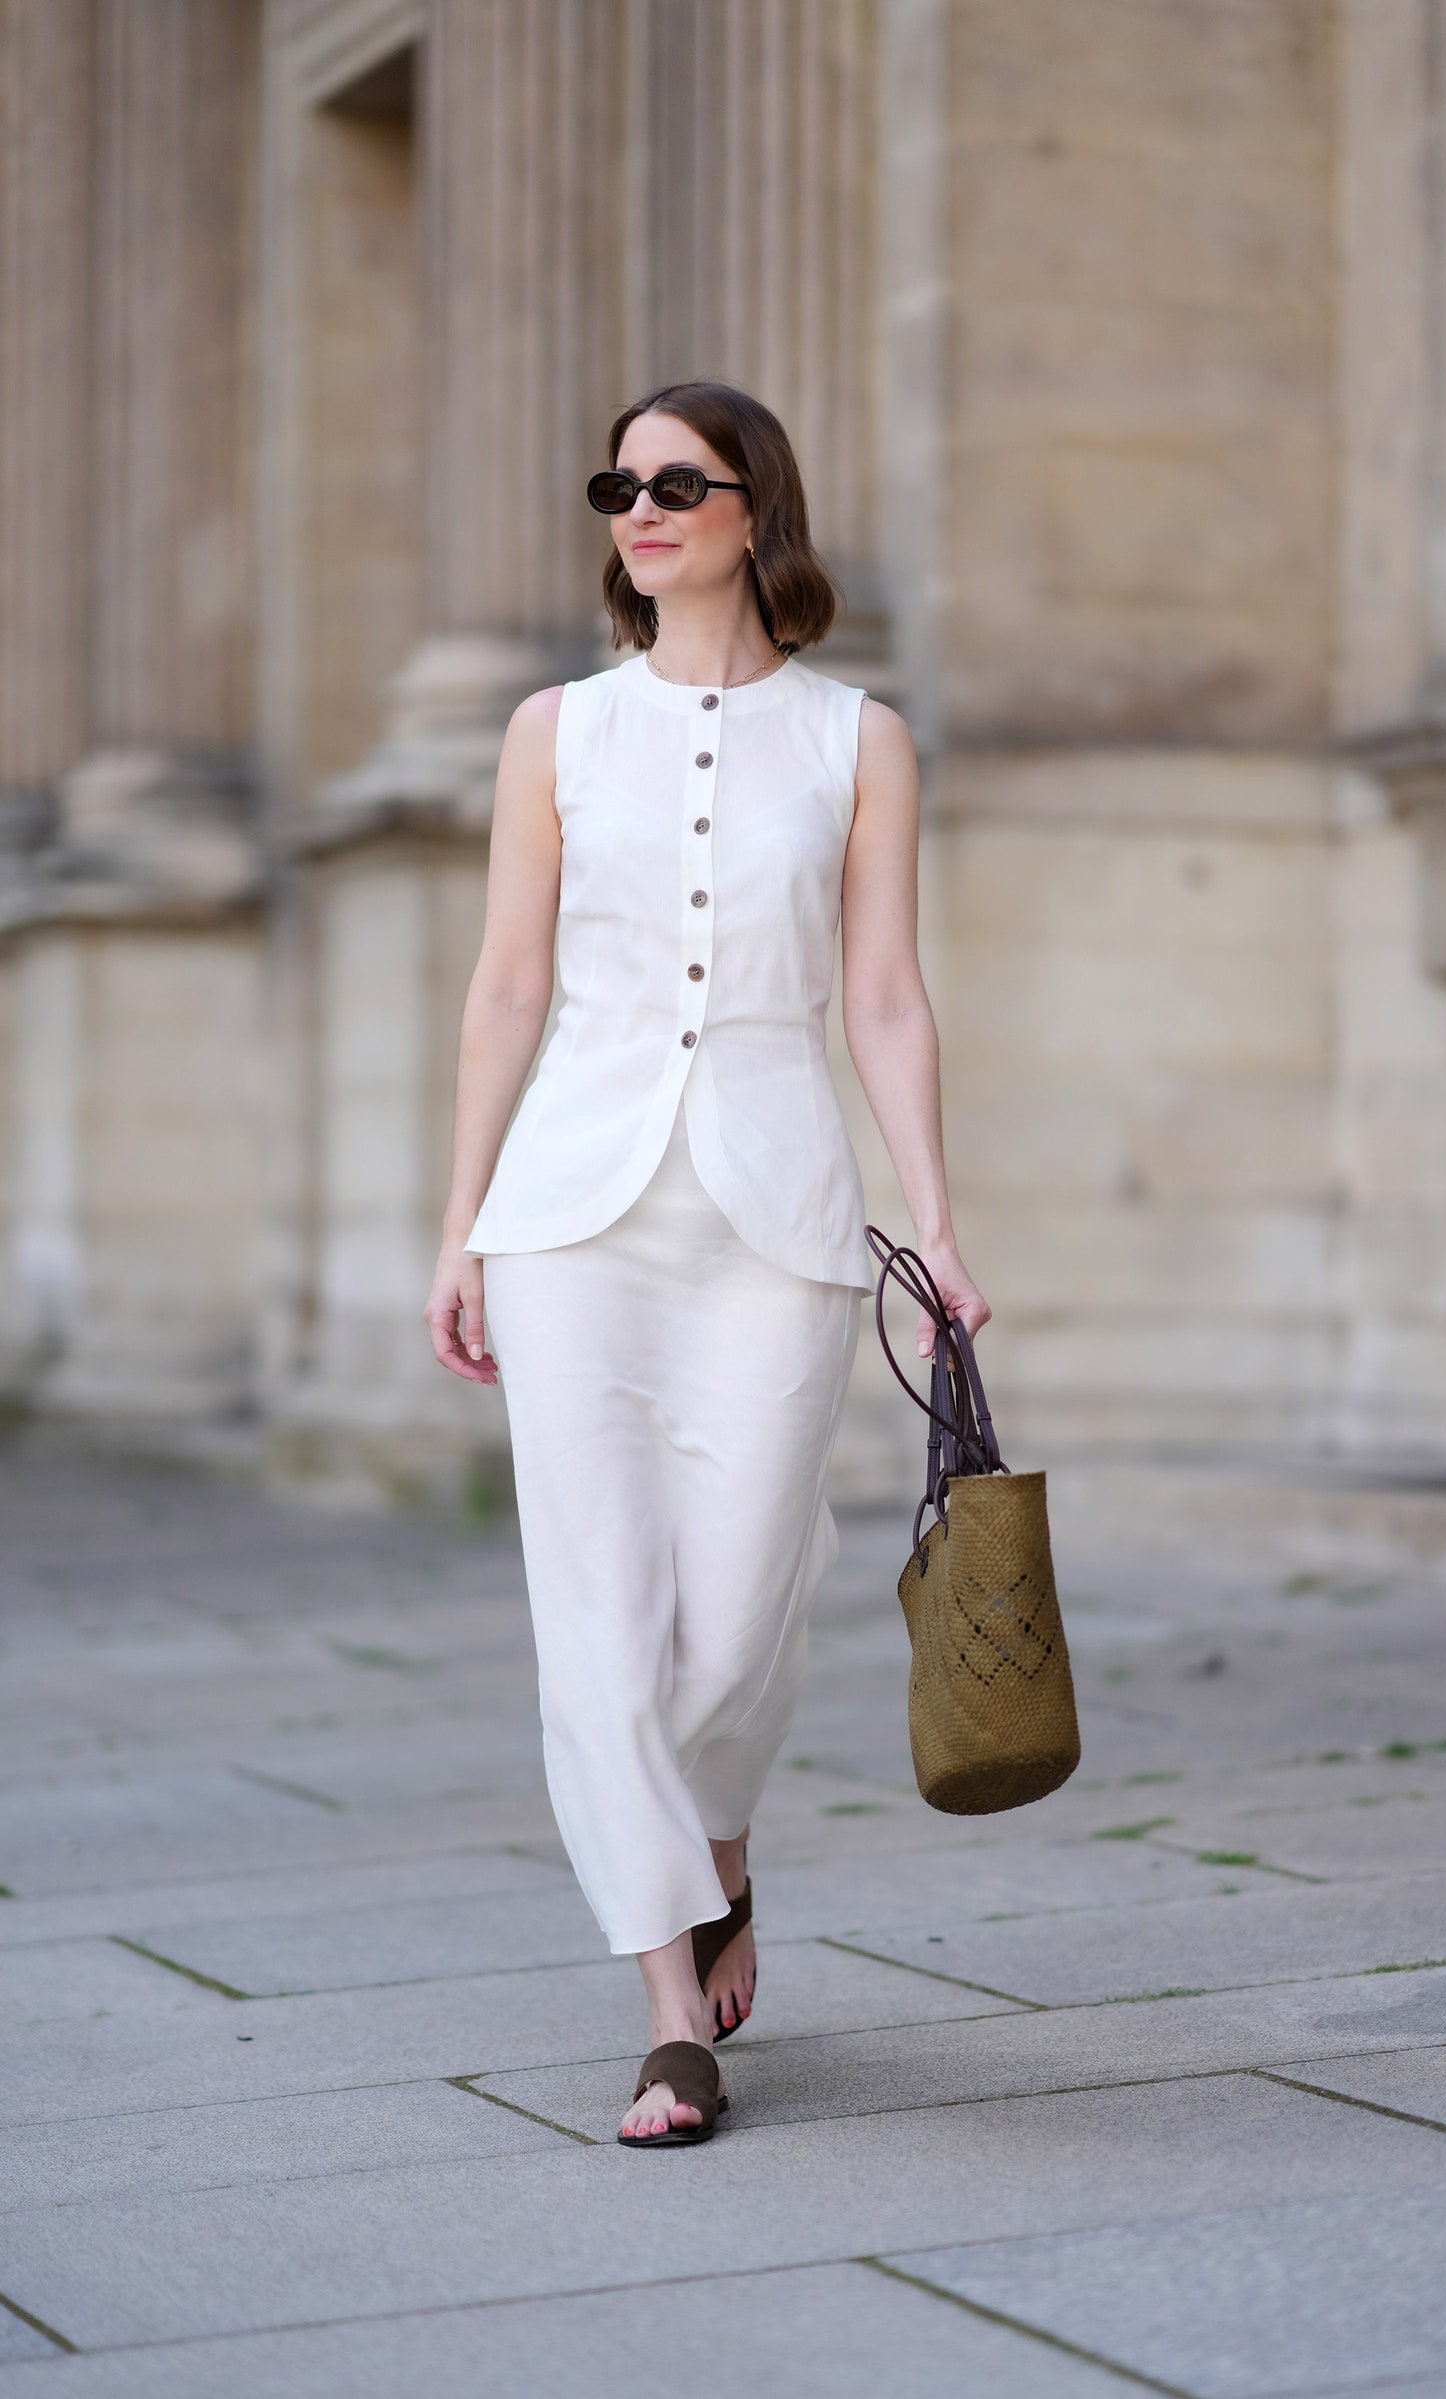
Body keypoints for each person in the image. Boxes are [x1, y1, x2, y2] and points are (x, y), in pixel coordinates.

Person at [424, 380, 988, 2147]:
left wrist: (942, 1220)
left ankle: (716, 1836)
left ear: (760, 512)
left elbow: (884, 994)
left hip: (780, 1205)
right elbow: (510, 985)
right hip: (573, 1214)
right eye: (621, 485)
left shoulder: (855, 739)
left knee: (743, 1598)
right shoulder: (552, 732)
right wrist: (459, 1227)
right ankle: (673, 2010)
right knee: (596, 1606)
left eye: (681, 482)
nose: (642, 508)